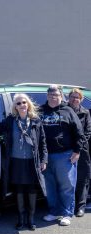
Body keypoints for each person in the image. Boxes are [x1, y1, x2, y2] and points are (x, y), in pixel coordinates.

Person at [0, 94, 47, 230]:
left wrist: (44, 160)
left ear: (28, 104)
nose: (22, 105)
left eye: (24, 102)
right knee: (19, 190)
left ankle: (31, 219)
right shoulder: (10, 121)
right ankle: (21, 218)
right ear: (15, 106)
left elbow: (43, 142)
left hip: (32, 161)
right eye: (18, 103)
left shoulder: (36, 121)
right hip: (16, 161)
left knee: (32, 190)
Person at [40, 85, 85, 226]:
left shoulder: (68, 111)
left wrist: (77, 151)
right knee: (50, 186)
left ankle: (67, 213)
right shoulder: (40, 111)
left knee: (66, 186)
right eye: (50, 93)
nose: (53, 96)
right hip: (46, 156)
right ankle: (54, 212)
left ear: (61, 96)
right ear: (47, 95)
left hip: (64, 155)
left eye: (56, 94)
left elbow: (79, 133)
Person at [68, 88, 91, 217]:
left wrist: (77, 147)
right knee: (68, 180)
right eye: (72, 97)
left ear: (81, 99)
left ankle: (80, 206)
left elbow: (87, 132)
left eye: (77, 97)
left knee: (82, 179)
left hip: (82, 150)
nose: (74, 99)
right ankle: (68, 206)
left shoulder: (85, 112)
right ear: (68, 98)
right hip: (66, 150)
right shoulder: (64, 110)